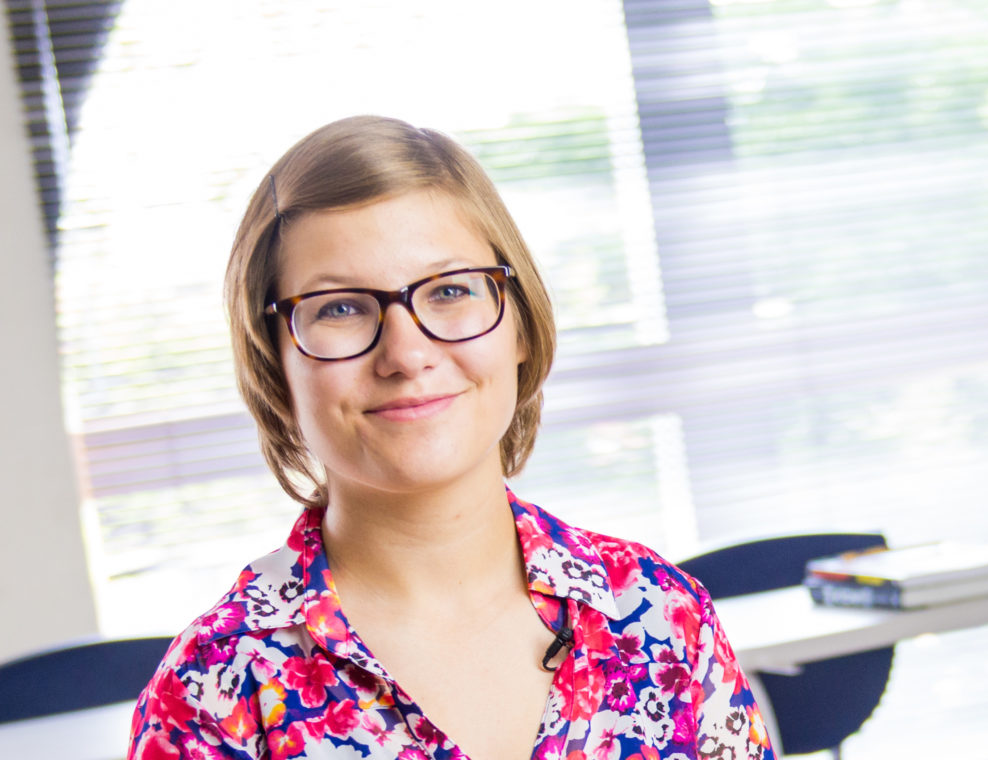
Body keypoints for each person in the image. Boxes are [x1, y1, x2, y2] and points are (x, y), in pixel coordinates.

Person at [128, 115, 774, 760]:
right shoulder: (214, 691)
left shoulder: (659, 614)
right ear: (275, 364)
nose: (407, 354)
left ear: (520, 328)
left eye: (451, 291)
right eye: (341, 308)